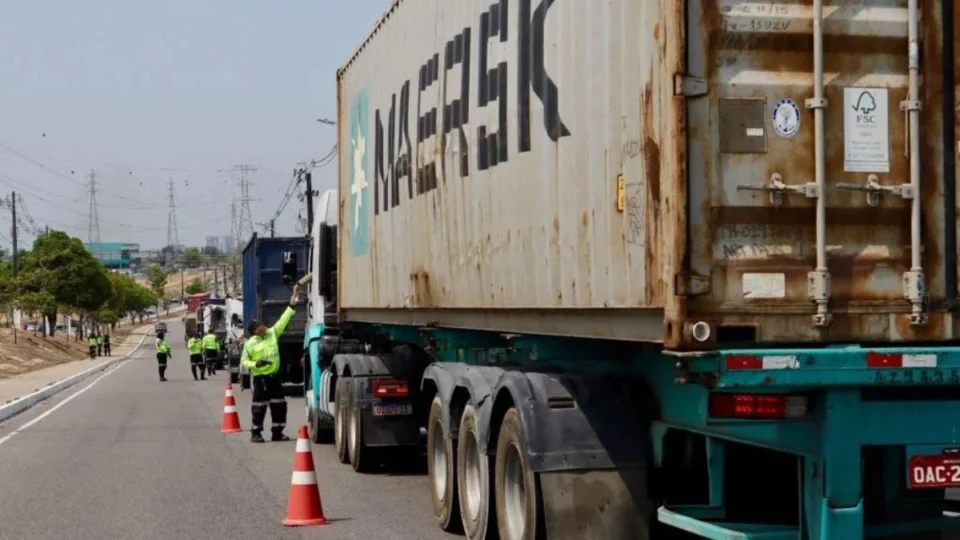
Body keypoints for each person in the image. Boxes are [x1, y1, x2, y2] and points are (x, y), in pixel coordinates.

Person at [240, 283, 301, 443]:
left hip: (274, 378)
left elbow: (284, 318)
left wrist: (292, 300)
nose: (263, 325)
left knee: (279, 404)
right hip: (261, 380)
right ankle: (256, 433)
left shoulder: (272, 333)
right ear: (254, 330)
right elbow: (244, 361)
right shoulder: (250, 343)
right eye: (259, 324)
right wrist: (255, 365)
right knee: (259, 407)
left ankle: (277, 432)